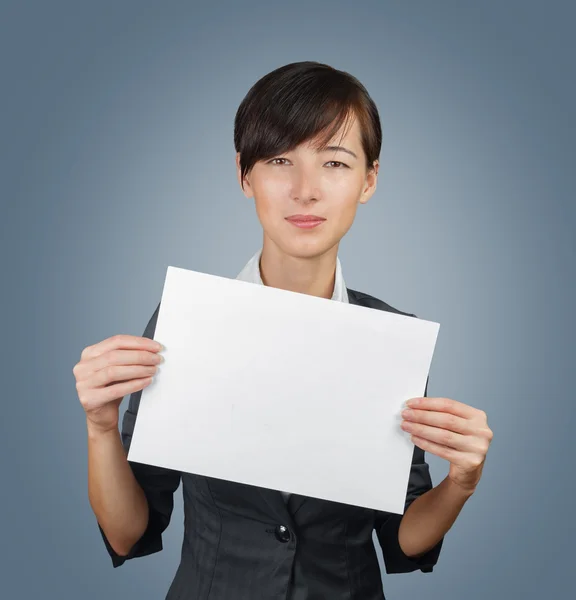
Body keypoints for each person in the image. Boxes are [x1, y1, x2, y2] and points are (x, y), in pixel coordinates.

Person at [73, 61, 493, 600]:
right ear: (245, 175)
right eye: (279, 160)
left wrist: (461, 483)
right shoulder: (186, 323)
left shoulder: (390, 339)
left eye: (335, 163)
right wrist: (100, 429)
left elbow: (403, 537)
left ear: (369, 180)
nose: (305, 190)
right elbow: (129, 531)